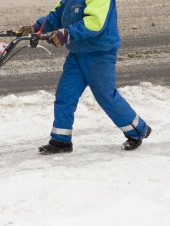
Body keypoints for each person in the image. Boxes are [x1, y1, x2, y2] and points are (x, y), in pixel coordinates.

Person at [16, 0, 151, 154]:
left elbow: (94, 23)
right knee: (65, 95)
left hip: (99, 54)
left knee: (106, 96)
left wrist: (66, 33)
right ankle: (61, 141)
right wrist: (36, 28)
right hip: (77, 54)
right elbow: (58, 15)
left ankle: (139, 130)